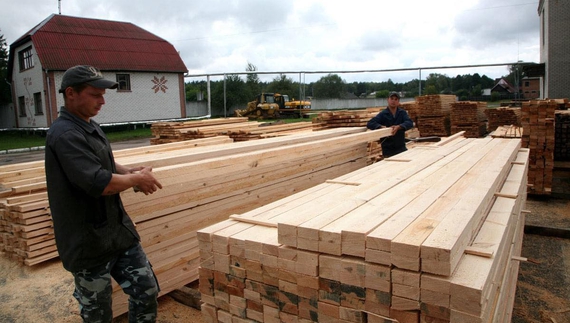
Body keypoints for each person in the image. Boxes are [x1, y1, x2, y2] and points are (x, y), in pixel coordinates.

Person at [45, 65, 163, 323]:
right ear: (71, 93)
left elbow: (105, 166)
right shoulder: (65, 134)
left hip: (117, 234)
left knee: (146, 290)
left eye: (103, 94)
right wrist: (136, 179)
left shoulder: (89, 125)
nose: (102, 100)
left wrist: (130, 172)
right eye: (95, 94)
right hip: (87, 243)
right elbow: (99, 183)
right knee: (98, 314)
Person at [367, 91, 414, 158]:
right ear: (388, 100)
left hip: (401, 148)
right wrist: (381, 127)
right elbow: (370, 123)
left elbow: (410, 123)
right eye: (391, 99)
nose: (393, 101)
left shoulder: (402, 113)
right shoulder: (383, 114)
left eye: (395, 99)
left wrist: (399, 127)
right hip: (388, 150)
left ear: (398, 101)